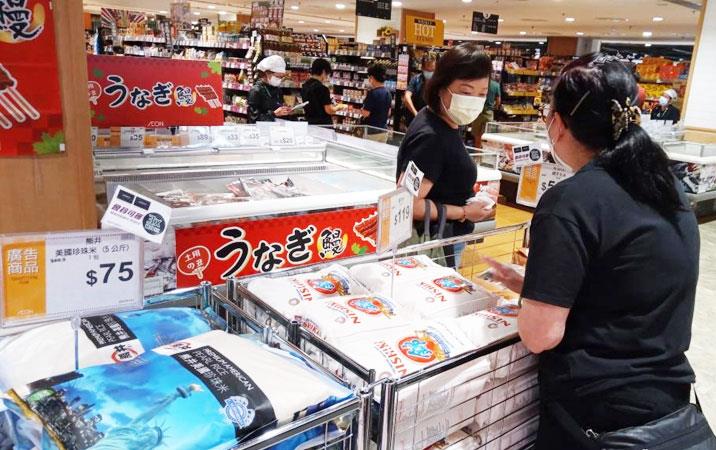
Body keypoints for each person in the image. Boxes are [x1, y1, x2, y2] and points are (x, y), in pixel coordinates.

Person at [485, 53, 700, 449]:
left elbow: (540, 335)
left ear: (560, 123)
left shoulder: (571, 200)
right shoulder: (665, 186)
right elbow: (627, 283)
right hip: (667, 400)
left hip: (595, 414)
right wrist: (536, 285)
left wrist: (535, 304)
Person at [396, 42, 495, 269]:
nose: (474, 101)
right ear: (441, 87)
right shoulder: (432, 136)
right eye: (465, 92)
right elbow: (407, 203)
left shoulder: (436, 118)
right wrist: (464, 212)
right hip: (435, 243)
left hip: (443, 237)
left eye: (482, 94)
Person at [301, 58, 346, 125]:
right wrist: (339, 107)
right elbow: (329, 110)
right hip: (323, 124)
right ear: (323, 72)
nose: (327, 77)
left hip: (309, 123)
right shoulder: (323, 89)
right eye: (327, 74)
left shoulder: (305, 86)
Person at [247, 55, 292, 123]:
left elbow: (278, 107)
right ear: (267, 73)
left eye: (282, 77)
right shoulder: (256, 91)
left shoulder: (277, 90)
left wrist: (285, 111)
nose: (279, 80)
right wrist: (274, 114)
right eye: (277, 77)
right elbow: (253, 119)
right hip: (261, 131)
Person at [403, 54, 437, 123]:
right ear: (422, 68)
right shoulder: (416, 79)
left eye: (432, 70)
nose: (430, 72)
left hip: (431, 120)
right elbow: (407, 97)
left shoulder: (438, 82)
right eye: (428, 70)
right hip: (414, 118)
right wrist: (415, 113)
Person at [361, 63, 393, 130]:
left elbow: (365, 113)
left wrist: (362, 109)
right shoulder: (388, 93)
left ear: (371, 77)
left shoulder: (372, 93)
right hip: (383, 129)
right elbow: (389, 113)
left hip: (371, 130)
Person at [470, 77, 501, 146]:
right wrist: (493, 107)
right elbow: (498, 101)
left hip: (478, 112)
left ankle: (478, 152)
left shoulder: (480, 83)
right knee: (487, 136)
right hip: (489, 113)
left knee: (477, 135)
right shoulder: (496, 85)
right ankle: (485, 152)